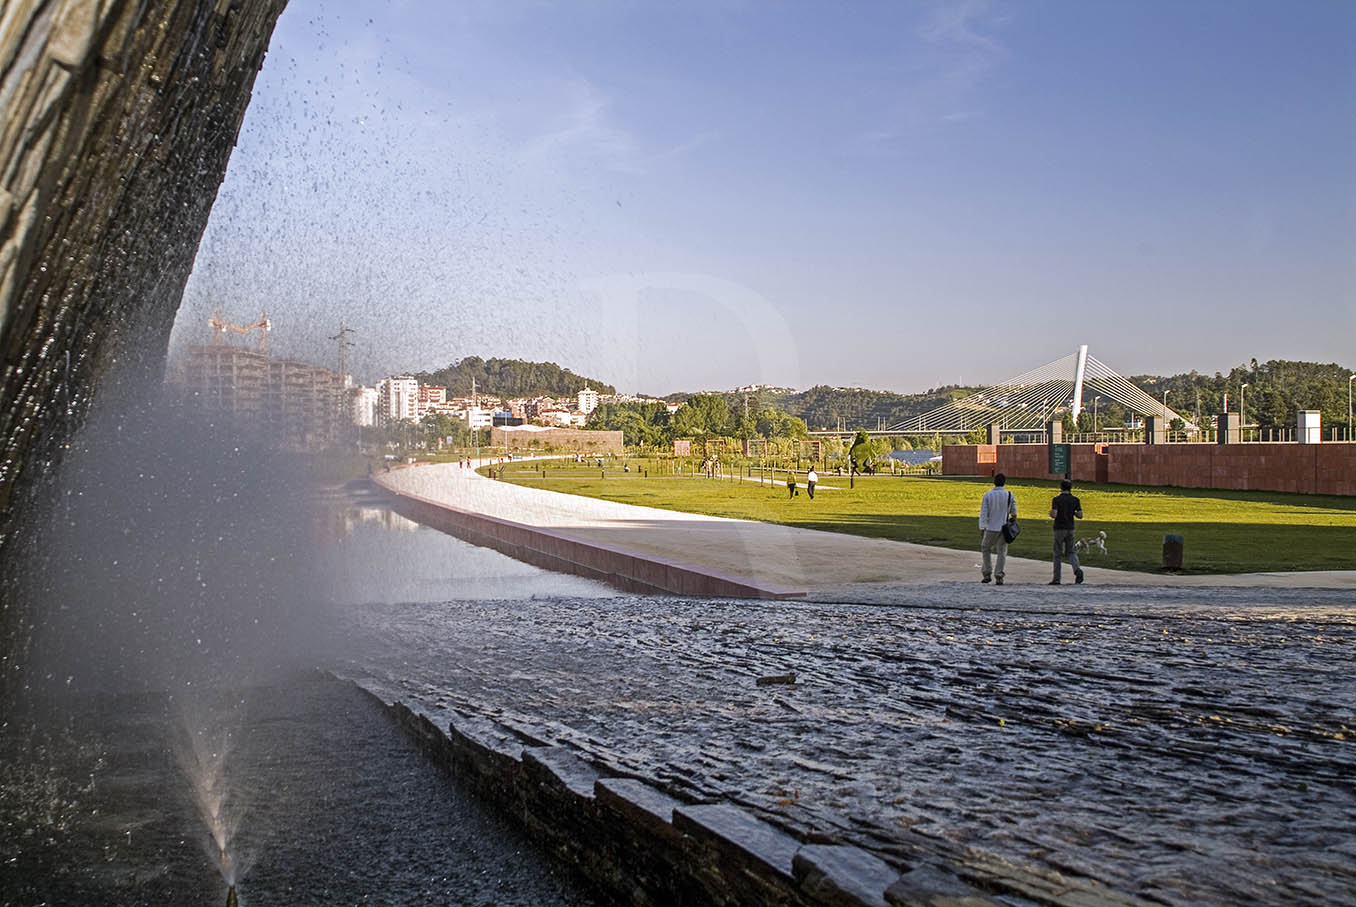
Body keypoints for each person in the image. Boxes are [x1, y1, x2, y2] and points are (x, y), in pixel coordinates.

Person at [978, 473, 1016, 585]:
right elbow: (1014, 511)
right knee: (1002, 552)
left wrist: (982, 526)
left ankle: (987, 573)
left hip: (991, 527)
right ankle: (999, 575)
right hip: (1004, 527)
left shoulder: (988, 495)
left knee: (986, 548)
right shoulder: (1009, 494)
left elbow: (984, 512)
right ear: (1004, 482)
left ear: (994, 482)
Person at [1049, 479, 1085, 584]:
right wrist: (1072, 512)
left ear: (1061, 488)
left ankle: (1056, 578)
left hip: (1059, 528)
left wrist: (1050, 513)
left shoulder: (1056, 500)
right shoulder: (1075, 500)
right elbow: (1080, 515)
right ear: (1070, 488)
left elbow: (1054, 514)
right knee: (1071, 552)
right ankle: (1077, 569)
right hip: (1071, 528)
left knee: (1057, 554)